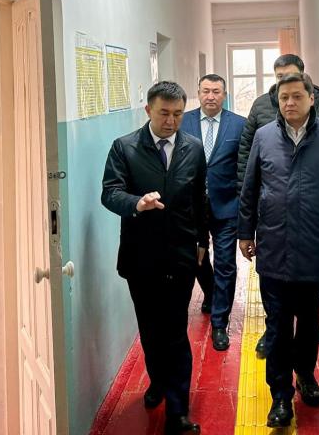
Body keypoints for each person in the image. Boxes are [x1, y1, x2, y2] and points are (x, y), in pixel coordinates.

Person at [238, 73, 319, 427]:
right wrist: (245, 232)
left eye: (296, 96)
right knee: (276, 325)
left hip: (312, 244)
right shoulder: (264, 137)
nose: (289, 103)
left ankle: (305, 375)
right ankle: (280, 397)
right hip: (273, 246)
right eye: (283, 98)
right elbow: (250, 188)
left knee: (308, 322)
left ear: (310, 99)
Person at [101, 81, 207, 435]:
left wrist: (203, 240)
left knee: (175, 331)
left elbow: (199, 198)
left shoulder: (193, 148)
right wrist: (137, 203)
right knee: (150, 330)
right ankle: (158, 379)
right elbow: (109, 193)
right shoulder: (125, 147)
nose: (171, 121)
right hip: (141, 256)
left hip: (181, 254)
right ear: (148, 110)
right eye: (164, 113)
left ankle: (178, 411)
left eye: (178, 114)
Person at [236, 53, 319, 357]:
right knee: (275, 298)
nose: (289, 98)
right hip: (273, 220)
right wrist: (248, 217)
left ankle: (306, 352)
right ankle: (274, 337)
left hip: (311, 223)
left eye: (292, 81)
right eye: (280, 80)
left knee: (308, 301)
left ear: (307, 86)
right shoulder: (261, 109)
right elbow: (247, 157)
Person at [181, 74, 247, 351]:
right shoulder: (183, 122)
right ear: (198, 93)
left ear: (224, 95)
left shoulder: (239, 124)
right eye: (206, 91)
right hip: (190, 207)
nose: (211, 96)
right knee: (196, 259)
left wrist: (243, 202)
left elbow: (245, 166)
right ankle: (210, 293)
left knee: (225, 264)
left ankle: (220, 323)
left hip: (226, 206)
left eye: (216, 91)